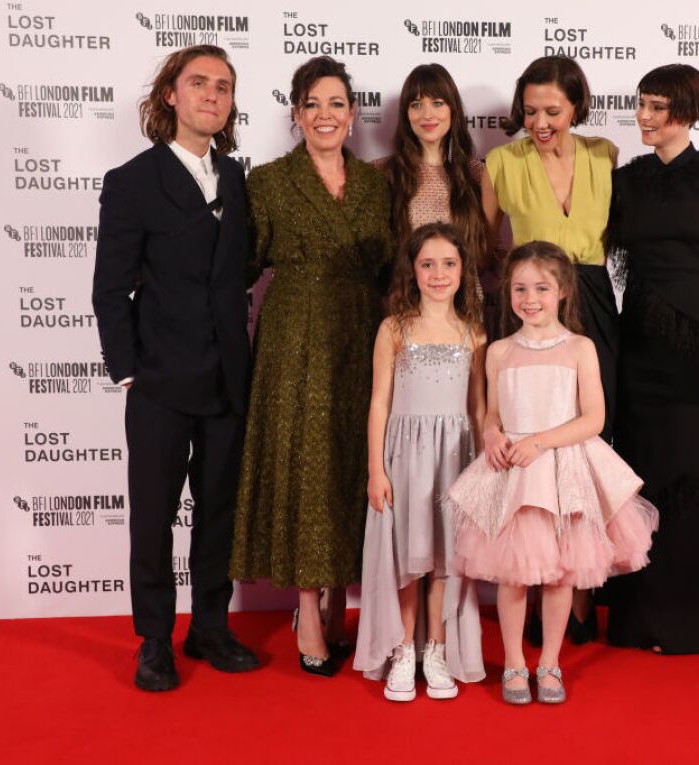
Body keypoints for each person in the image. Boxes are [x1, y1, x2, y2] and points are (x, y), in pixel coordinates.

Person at [92, 45, 260, 692]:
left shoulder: (239, 178)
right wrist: (129, 371)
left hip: (226, 377)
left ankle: (210, 625)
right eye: (199, 84)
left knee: (217, 509)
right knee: (153, 515)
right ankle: (155, 638)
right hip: (160, 381)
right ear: (172, 95)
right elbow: (110, 289)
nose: (211, 96)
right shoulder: (132, 181)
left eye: (223, 87)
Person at [229, 56, 393, 676]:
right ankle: (306, 612)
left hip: (361, 331)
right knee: (306, 464)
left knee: (351, 461)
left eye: (337, 104)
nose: (326, 115)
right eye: (313, 104)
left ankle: (334, 603)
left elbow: (389, 271)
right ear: (297, 115)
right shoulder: (267, 182)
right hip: (294, 336)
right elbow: (239, 269)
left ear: (352, 116)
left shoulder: (376, 184)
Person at [446, 242, 659, 705]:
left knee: (560, 573)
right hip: (514, 475)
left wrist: (539, 443)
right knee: (513, 574)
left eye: (541, 288)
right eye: (520, 288)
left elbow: (593, 420)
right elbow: (493, 414)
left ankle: (550, 664)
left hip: (562, 470)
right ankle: (515, 666)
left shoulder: (580, 347)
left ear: (562, 290)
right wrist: (492, 435)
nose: (530, 298)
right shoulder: (498, 351)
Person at [605, 65, 699, 655]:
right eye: (641, 104)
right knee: (638, 482)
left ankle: (687, 624)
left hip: (697, 352)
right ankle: (637, 623)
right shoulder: (626, 180)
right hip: (636, 347)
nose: (643, 115)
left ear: (686, 112)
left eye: (656, 107)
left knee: (693, 481)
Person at [483, 55, 618, 642]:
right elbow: (490, 245)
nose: (540, 122)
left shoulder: (604, 155)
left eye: (553, 111)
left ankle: (580, 601)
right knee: (532, 448)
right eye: (531, 110)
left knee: (588, 447)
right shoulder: (500, 162)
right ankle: (533, 589)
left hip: (592, 295)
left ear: (576, 107)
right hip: (533, 299)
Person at [354, 223, 486, 701]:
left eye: (448, 264)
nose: (438, 273)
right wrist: (376, 468)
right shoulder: (394, 327)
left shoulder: (473, 332)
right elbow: (378, 404)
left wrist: (482, 466)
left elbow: (478, 408)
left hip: (455, 457)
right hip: (405, 457)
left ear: (463, 270)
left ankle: (438, 648)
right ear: (412, 270)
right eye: (427, 263)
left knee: (444, 557)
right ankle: (403, 649)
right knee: (408, 557)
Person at [377, 64, 487, 265]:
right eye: (416, 104)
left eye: (437, 103)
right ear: (406, 114)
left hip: (466, 294)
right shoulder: (383, 173)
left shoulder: (477, 174)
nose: (427, 115)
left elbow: (490, 254)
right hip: (405, 293)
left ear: (453, 110)